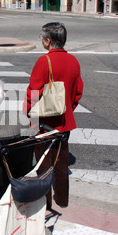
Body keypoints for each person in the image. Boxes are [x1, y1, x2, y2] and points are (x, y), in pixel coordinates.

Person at [23, 22, 83, 210]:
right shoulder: (74, 61)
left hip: (44, 123)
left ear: (48, 41)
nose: (41, 41)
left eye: (42, 38)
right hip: (65, 122)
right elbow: (78, 91)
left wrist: (31, 119)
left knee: (43, 166)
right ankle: (62, 200)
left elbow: (34, 92)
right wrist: (68, 109)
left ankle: (45, 203)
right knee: (61, 164)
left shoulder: (44, 61)